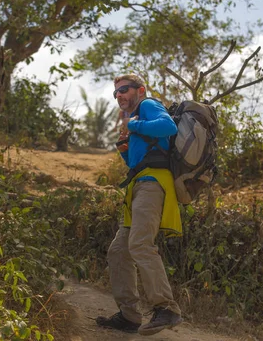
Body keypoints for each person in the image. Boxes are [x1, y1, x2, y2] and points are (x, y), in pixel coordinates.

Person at [96, 74, 183, 336]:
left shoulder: (147, 105)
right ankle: (129, 316)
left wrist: (133, 126)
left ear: (140, 90)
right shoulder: (136, 119)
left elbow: (168, 127)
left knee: (140, 244)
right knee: (118, 251)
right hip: (138, 186)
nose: (119, 96)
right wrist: (124, 148)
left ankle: (167, 308)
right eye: (116, 93)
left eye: (124, 90)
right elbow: (137, 160)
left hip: (152, 184)